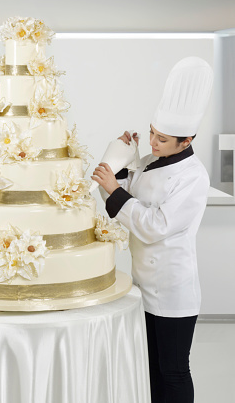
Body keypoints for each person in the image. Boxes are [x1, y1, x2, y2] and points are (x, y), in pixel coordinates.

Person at [92, 57, 213, 403]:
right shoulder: (148, 163)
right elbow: (119, 189)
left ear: (186, 139)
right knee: (150, 366)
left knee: (174, 370)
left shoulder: (193, 177)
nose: (153, 142)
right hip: (144, 286)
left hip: (174, 292)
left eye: (162, 138)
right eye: (151, 133)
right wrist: (119, 153)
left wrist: (114, 190)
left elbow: (154, 225)